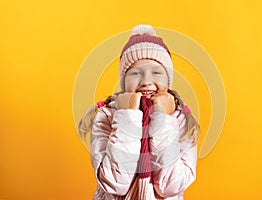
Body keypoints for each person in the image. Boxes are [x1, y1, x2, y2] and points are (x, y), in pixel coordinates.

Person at [78, 24, 200, 200]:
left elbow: (169, 186)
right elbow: (114, 182)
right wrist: (128, 116)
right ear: (123, 80)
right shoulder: (106, 116)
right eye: (136, 73)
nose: (146, 81)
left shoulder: (182, 120)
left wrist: (163, 120)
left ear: (169, 79)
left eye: (157, 72)